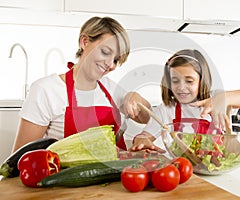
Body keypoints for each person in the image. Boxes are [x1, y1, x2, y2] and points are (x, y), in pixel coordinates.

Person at [13, 16, 151, 152]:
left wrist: (135, 97)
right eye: (105, 52)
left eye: (115, 60)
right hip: (67, 174)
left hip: (116, 174)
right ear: (84, 42)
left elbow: (147, 118)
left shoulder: (111, 88)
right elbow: (20, 160)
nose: (109, 64)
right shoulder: (45, 90)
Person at [130, 49, 240, 152]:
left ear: (201, 80)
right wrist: (142, 141)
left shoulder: (217, 100)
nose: (181, 87)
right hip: (185, 171)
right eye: (175, 81)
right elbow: (144, 136)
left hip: (218, 166)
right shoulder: (166, 109)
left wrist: (222, 98)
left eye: (189, 81)